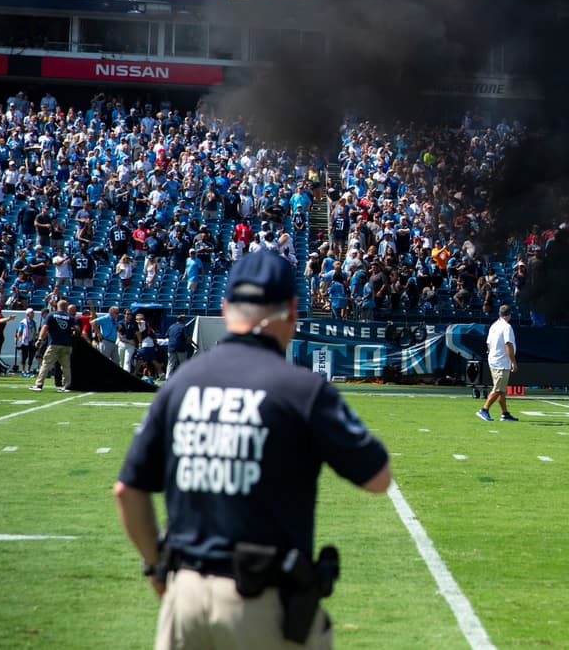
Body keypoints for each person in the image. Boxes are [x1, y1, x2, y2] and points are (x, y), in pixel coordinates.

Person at [113, 250, 392, 649]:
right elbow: (378, 476)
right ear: (292, 311)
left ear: (226, 309)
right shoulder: (300, 390)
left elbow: (127, 490)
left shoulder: (181, 384)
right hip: (261, 602)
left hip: (183, 598)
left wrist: (156, 566)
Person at [476, 304, 518, 422]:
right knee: (499, 388)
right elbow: (508, 344)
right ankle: (484, 409)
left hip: (493, 360)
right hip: (502, 362)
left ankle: (505, 413)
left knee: (501, 389)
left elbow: (488, 344)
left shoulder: (494, 326)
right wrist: (513, 362)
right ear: (508, 315)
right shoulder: (507, 327)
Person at [33, 298, 76, 392]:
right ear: (66, 307)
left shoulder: (51, 315)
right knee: (66, 366)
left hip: (54, 344)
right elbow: (76, 330)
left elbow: (45, 328)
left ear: (58, 306)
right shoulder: (70, 317)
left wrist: (40, 339)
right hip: (67, 345)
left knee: (46, 363)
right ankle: (67, 386)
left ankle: (39, 384)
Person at [15, 308, 37, 374]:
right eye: (31, 313)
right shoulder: (23, 322)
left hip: (31, 341)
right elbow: (20, 331)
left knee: (31, 355)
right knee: (24, 356)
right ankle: (23, 370)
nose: (33, 314)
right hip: (25, 341)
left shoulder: (33, 322)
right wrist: (18, 339)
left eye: (33, 312)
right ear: (28, 314)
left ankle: (28, 370)